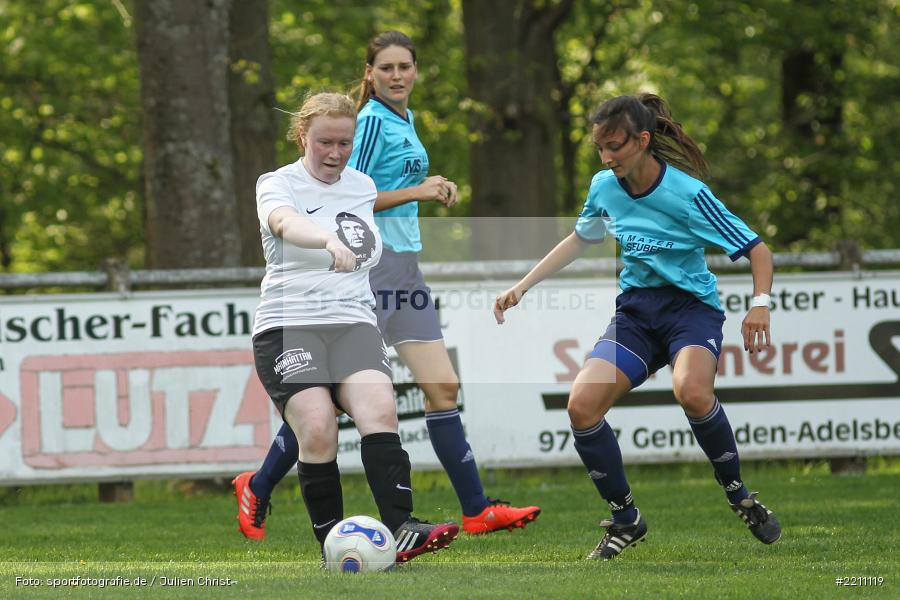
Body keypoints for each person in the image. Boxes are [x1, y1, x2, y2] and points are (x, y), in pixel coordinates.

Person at [233, 31, 540, 541]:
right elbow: (289, 219)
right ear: (369, 75)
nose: (336, 153)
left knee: (416, 395)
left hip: (396, 274)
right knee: (318, 416)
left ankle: (455, 514)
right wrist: (338, 237)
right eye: (387, 67)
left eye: (406, 66)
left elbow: (360, 192)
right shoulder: (337, 143)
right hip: (330, 296)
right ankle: (268, 491)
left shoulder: (387, 140)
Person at [493, 93, 781, 560]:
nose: (607, 158)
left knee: (691, 391)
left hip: (691, 311)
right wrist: (522, 286)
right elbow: (579, 239)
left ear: (642, 140)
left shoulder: (688, 195)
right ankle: (626, 519)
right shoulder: (605, 186)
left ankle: (738, 493)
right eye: (600, 149)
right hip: (638, 314)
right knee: (581, 407)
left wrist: (760, 305)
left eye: (616, 147)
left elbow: (758, 249)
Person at [241, 91, 458, 563]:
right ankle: (330, 546)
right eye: (325, 142)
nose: (336, 153)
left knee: (379, 409)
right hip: (288, 325)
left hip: (353, 321)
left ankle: (402, 528)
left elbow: (377, 220)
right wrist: (326, 239)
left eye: (345, 142)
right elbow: (284, 223)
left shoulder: (360, 185)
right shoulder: (277, 183)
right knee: (317, 427)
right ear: (303, 136)